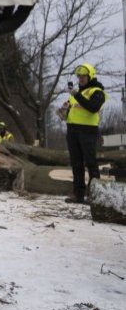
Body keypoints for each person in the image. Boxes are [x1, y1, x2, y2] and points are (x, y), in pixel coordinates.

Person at [59, 63, 106, 204]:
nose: (80, 78)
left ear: (90, 75)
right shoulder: (75, 94)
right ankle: (78, 195)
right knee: (76, 164)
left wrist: (76, 95)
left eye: (83, 76)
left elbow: (93, 107)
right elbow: (73, 111)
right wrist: (64, 111)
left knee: (91, 163)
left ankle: (94, 196)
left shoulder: (97, 91)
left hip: (88, 131)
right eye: (79, 76)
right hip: (72, 130)